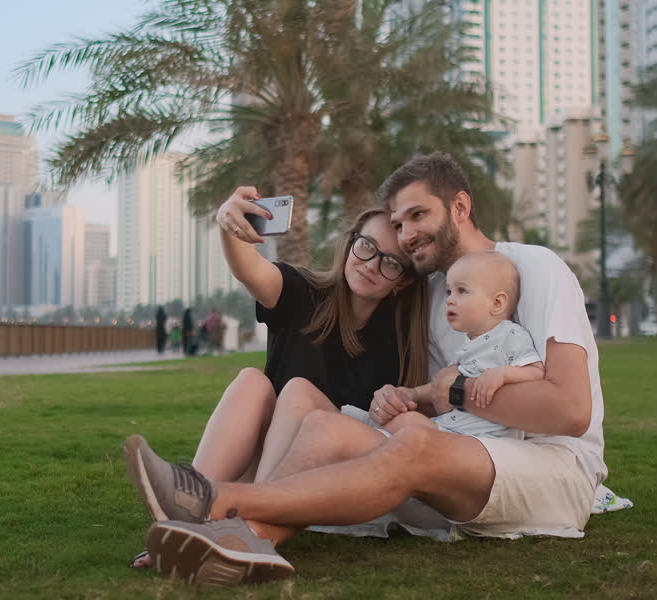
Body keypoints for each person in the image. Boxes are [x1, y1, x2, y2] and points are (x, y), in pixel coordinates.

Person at [126, 152, 606, 585]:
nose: (407, 234)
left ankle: (212, 500)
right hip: (458, 458)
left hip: (550, 469)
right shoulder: (430, 295)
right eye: (399, 223)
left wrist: (449, 393)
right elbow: (429, 400)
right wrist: (406, 397)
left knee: (416, 439)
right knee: (323, 423)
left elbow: (570, 410)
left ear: (461, 207)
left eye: (418, 215)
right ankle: (242, 539)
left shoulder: (533, 268)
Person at [124, 187, 430, 569]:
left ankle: (250, 530)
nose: (371, 264)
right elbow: (248, 268)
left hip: (320, 468)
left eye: (390, 262)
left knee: (299, 391)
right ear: (350, 243)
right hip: (262, 458)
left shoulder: (399, 339)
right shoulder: (302, 293)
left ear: (401, 280)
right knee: (253, 380)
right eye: (366, 246)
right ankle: (181, 522)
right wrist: (229, 225)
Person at [342, 251, 543, 441]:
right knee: (408, 421)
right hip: (453, 429)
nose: (450, 300)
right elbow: (441, 388)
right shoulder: (469, 343)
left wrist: (502, 374)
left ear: (497, 303)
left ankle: (367, 429)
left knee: (409, 424)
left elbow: (536, 372)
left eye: (461, 290)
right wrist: (413, 394)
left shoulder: (510, 334)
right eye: (448, 292)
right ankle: (369, 430)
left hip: (484, 439)